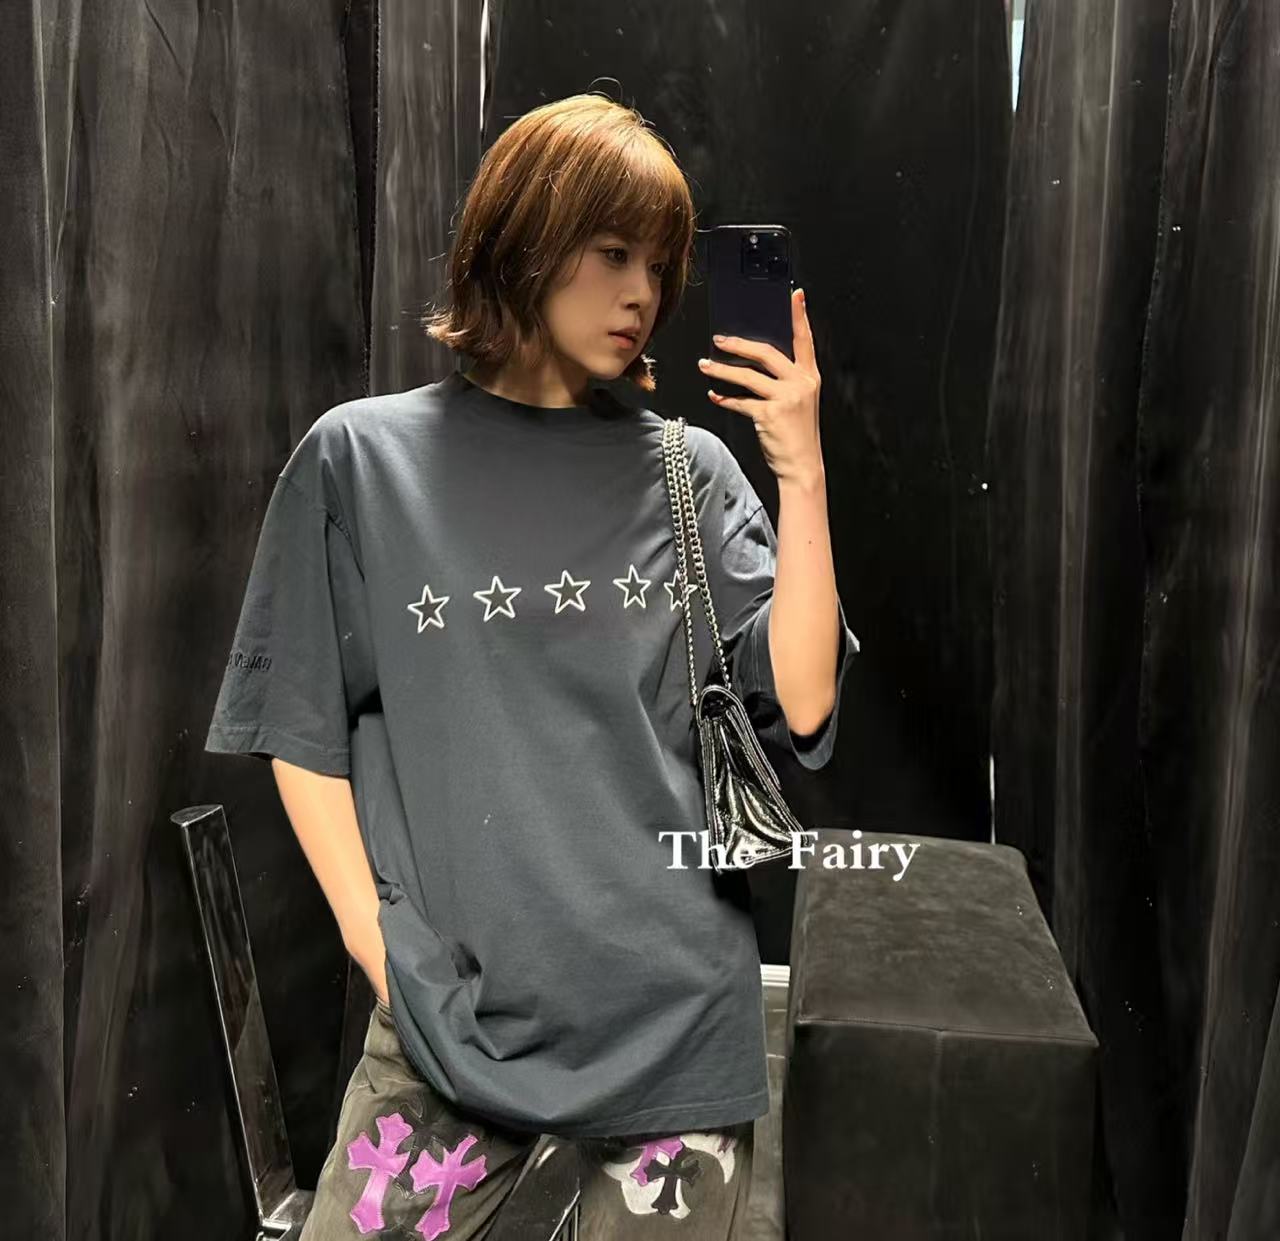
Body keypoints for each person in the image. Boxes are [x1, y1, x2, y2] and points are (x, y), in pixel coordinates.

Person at [204, 92, 859, 1240]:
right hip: (450, 1024)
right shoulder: (361, 462)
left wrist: (799, 469)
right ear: (522, 240)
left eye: (655, 263)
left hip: (671, 1029)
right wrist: (378, 945)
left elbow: (802, 698)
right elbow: (296, 725)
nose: (640, 292)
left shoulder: (688, 471)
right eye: (609, 252)